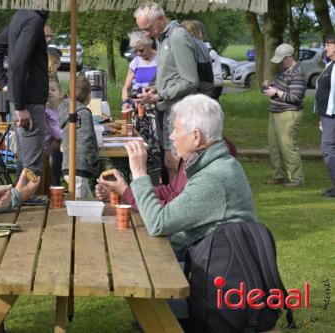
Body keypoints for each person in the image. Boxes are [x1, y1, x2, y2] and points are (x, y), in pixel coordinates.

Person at [98, 94, 257, 260]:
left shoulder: (212, 177)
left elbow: (158, 223)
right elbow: (171, 192)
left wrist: (139, 174)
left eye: (176, 130)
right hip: (202, 257)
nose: (171, 136)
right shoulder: (207, 161)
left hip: (216, 273)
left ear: (196, 137)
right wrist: (127, 191)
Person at [133, 2, 199, 183]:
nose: (146, 34)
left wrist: (160, 95)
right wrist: (153, 87)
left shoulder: (177, 37)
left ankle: (179, 205)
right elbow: (170, 74)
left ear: (161, 19)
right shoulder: (163, 38)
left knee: (175, 161)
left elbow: (191, 81)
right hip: (167, 109)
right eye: (143, 30)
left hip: (179, 110)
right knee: (169, 161)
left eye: (148, 28)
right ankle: (173, 202)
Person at [8, 10, 49, 177]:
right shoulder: (33, 19)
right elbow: (18, 62)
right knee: (31, 166)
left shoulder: (20, 16)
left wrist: (6, 84)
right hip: (29, 103)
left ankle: (21, 199)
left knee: (24, 162)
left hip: (23, 101)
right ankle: (27, 201)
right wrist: (20, 105)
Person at [121, 30, 162, 183]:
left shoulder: (160, 58)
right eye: (135, 51)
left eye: (141, 50)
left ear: (149, 44)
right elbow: (126, 88)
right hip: (138, 110)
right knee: (138, 143)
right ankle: (137, 177)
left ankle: (155, 179)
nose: (138, 53)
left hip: (155, 107)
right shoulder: (136, 62)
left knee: (154, 147)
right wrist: (126, 102)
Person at [264, 43, 306, 187]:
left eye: (282, 60)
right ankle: (278, 175)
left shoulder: (297, 73)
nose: (280, 63)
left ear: (289, 57)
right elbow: (278, 89)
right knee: (274, 146)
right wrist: (268, 87)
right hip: (275, 112)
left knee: (288, 147)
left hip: (289, 113)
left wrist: (275, 92)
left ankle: (296, 179)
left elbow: (295, 98)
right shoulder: (283, 70)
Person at [59, 75, 99, 198]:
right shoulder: (83, 113)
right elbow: (85, 141)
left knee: (88, 205)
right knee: (79, 209)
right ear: (88, 96)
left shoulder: (66, 110)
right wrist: (94, 161)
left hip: (68, 166)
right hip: (79, 168)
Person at [316, 34, 335, 196]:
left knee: (327, 148)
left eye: (329, 44)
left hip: (332, 116)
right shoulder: (330, 65)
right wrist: (322, 116)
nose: (326, 47)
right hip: (327, 116)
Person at [190, 20, 224, 101]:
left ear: (200, 34)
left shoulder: (211, 53)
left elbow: (219, 80)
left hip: (208, 99)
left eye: (192, 34)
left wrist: (199, 81)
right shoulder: (186, 54)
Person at [46, 79, 63, 186]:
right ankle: (55, 185)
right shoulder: (48, 113)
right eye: (48, 90)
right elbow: (57, 134)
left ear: (60, 94)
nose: (50, 92)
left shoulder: (61, 111)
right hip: (47, 149)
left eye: (53, 90)